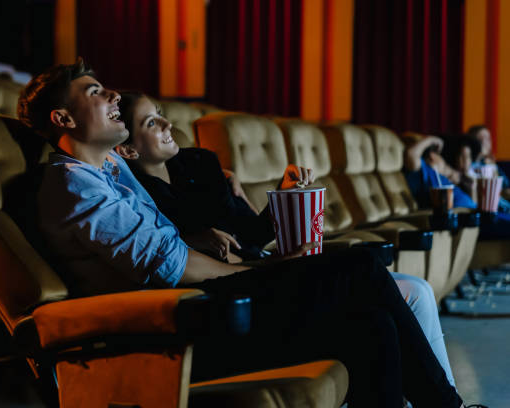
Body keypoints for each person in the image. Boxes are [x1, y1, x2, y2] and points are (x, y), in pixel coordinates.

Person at [17, 59, 467, 407]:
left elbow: (165, 232)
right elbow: (175, 268)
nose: (112, 93)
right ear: (64, 119)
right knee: (360, 266)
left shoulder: (108, 166)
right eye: (95, 92)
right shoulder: (74, 183)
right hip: (180, 328)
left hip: (206, 303)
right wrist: (264, 266)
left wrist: (229, 193)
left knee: (374, 324)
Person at [114, 91, 458, 387]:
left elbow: (252, 232)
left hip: (268, 264)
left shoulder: (200, 163)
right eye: (151, 123)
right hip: (241, 290)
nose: (167, 125)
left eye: (161, 115)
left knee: (416, 291)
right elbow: (176, 262)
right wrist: (197, 239)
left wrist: (284, 193)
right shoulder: (140, 197)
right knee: (395, 295)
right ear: (129, 150)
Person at [404, 133, 510, 240]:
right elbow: (411, 154)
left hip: (474, 219)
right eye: (438, 155)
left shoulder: (447, 179)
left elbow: (472, 204)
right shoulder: (424, 171)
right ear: (430, 157)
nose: (441, 159)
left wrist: (472, 188)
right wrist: (431, 140)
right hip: (463, 222)